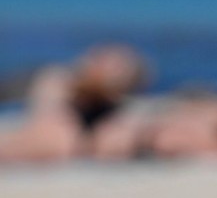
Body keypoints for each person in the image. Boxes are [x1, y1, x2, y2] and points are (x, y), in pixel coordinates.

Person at [0, 45, 149, 163]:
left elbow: (114, 145)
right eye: (101, 60)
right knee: (56, 139)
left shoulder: (121, 108)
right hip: (27, 98)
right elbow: (53, 133)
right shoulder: (58, 80)